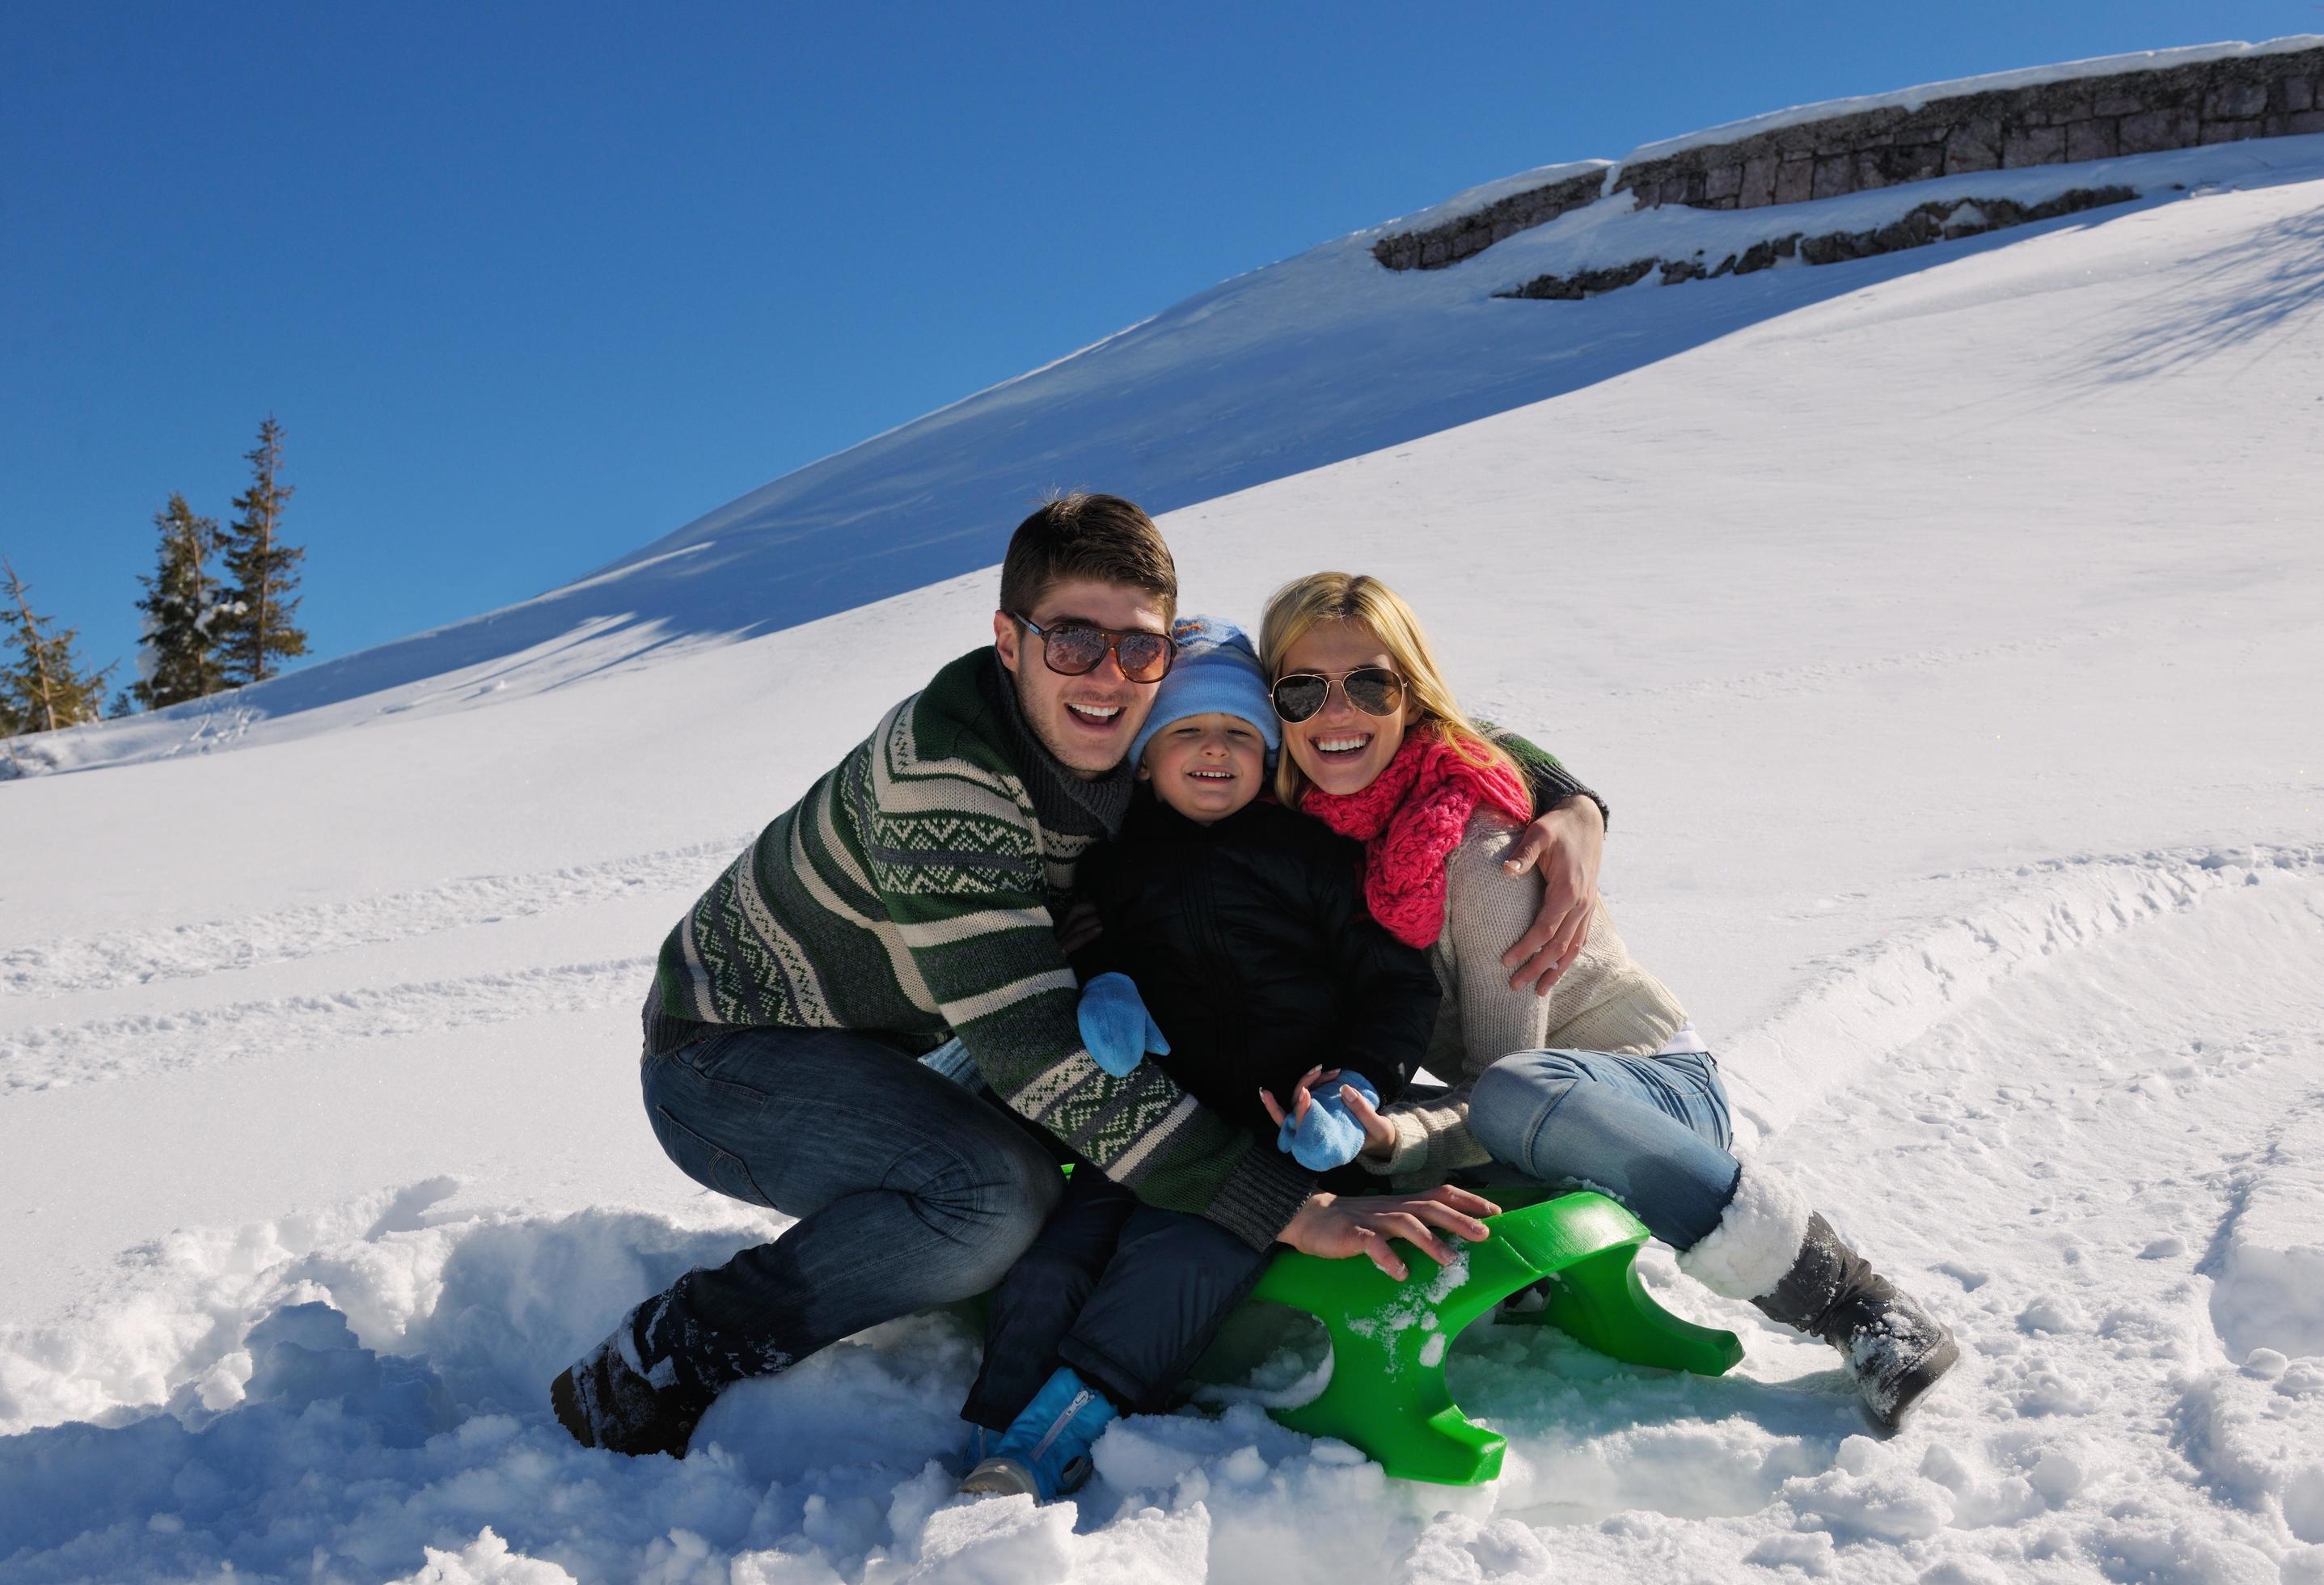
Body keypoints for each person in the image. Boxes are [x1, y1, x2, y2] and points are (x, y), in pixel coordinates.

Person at [551, 499, 1593, 1458]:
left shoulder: (1140, 740)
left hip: (909, 1038)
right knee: (990, 1201)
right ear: (1010, 641)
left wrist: (1565, 794)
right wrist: (1283, 1206)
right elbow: (1041, 1055)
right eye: (1072, 639)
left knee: (1049, 1178)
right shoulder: (945, 785)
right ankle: (682, 1343)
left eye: (1138, 646)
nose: (1105, 673)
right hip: (731, 1057)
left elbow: (1372, 715)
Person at [1257, 571, 1958, 1430]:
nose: (1338, 713)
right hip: (1509, 1098)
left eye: (1370, 684)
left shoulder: (1480, 851)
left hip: (1637, 1091)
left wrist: (1401, 1134)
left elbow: (1499, 1078)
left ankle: (1856, 1303)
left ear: (1412, 694)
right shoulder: (1306, 826)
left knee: (1516, 1094)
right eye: (1303, 688)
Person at [953, 617, 1444, 1501]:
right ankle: (991, 1429)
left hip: (1281, 1140)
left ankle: (1047, 1443)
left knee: (1180, 1256)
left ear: (1267, 754)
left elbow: (1394, 984)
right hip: (1150, 1128)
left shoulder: (1316, 853)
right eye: (1185, 730)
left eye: (1238, 734)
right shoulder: (1112, 865)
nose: (1214, 750)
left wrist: (1359, 1083)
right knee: (1054, 1261)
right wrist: (1104, 988)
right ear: (1143, 756)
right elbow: (1091, 945)